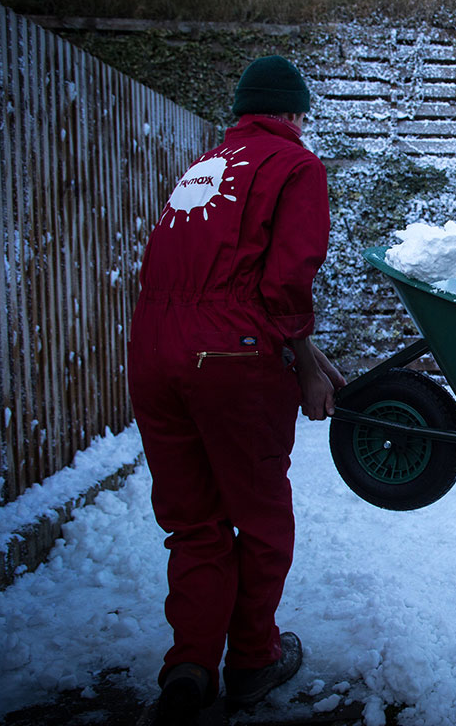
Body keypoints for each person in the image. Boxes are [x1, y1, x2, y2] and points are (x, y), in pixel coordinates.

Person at [127, 55, 346, 724]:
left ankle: (190, 666)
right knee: (258, 516)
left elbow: (195, 275)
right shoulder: (297, 167)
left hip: (152, 348)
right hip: (230, 356)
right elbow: (285, 281)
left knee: (193, 522)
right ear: (292, 113)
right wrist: (302, 359)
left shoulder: (203, 167)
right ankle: (253, 658)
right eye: (302, 116)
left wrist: (301, 347)